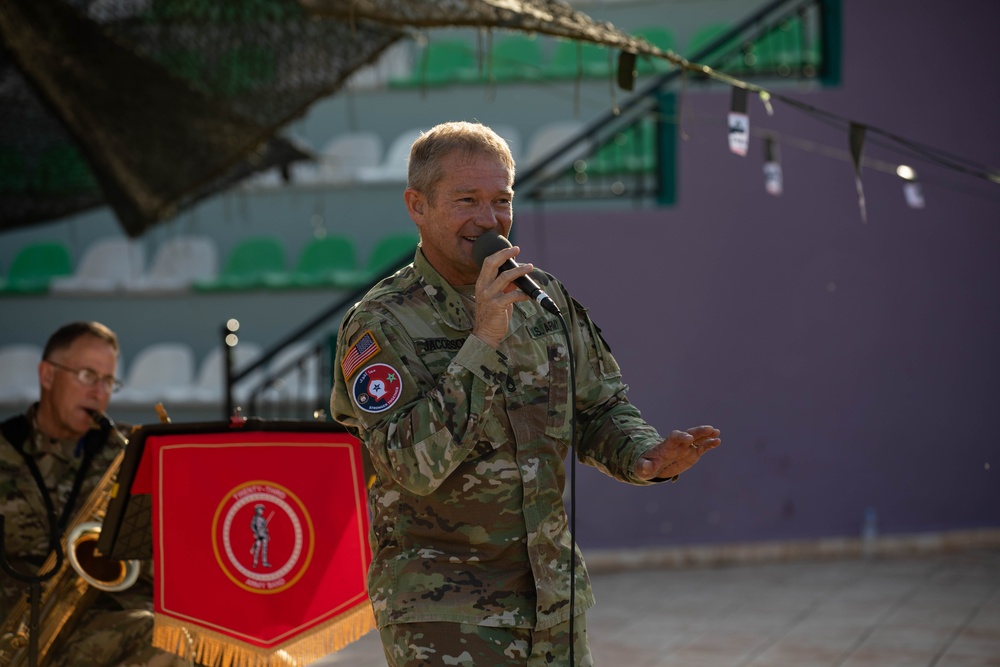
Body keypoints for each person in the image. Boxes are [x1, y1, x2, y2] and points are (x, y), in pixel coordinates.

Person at [330, 121, 721, 666]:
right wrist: (483, 338)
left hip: (554, 600)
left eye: (501, 200)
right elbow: (410, 464)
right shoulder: (380, 323)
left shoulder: (543, 298)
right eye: (467, 200)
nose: (489, 219)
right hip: (448, 613)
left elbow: (600, 405)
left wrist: (644, 457)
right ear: (417, 206)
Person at [0, 321, 186, 667]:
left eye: (108, 381)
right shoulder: (4, 449)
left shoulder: (130, 452)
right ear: (47, 375)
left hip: (106, 626)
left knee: (171, 635)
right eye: (87, 375)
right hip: (18, 639)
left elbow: (172, 556)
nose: (99, 392)